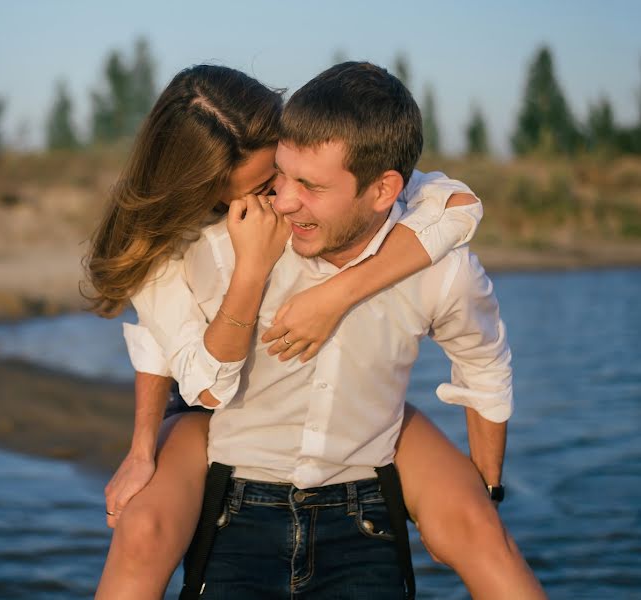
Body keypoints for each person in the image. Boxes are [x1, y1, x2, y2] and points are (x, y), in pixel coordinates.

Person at [86, 64, 544, 599]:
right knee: (142, 531)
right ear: (204, 188)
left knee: (479, 532)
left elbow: (456, 205)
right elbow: (168, 352)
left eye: (279, 177)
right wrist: (142, 448)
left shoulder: (352, 186)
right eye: (264, 188)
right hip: (208, 397)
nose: (279, 201)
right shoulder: (183, 248)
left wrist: (341, 292)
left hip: (352, 426)